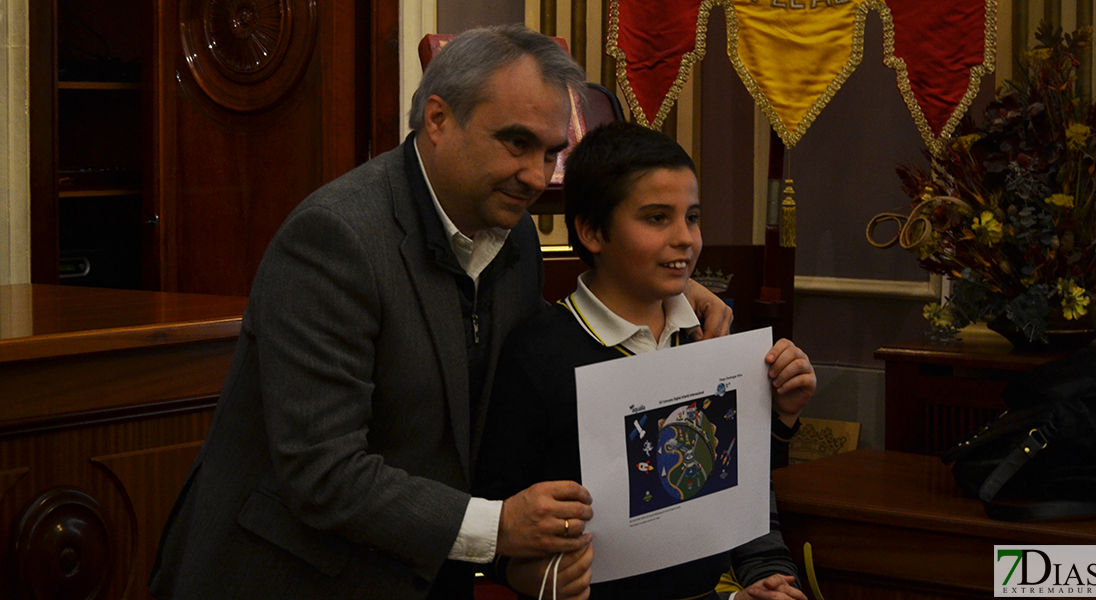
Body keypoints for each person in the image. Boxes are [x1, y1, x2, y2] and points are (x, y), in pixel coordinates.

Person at [148, 25, 731, 600]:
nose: (537, 176)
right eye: (516, 143)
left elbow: (527, 371)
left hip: (424, 571)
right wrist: (498, 526)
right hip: (290, 575)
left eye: (552, 152)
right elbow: (322, 473)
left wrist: (673, 295)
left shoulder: (514, 235)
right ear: (437, 119)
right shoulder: (335, 238)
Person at [475, 121, 815, 600]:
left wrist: (780, 417)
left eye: (692, 217)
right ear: (592, 231)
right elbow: (496, 520)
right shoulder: (536, 355)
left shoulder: (709, 337)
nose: (685, 239)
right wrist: (522, 572)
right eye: (657, 218)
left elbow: (737, 491)